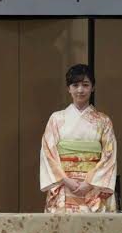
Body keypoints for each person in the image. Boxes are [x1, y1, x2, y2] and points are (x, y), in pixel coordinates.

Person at [40, 64, 117, 213]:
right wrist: (66, 180)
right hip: (64, 186)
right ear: (69, 88)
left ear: (92, 87)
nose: (80, 90)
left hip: (94, 187)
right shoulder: (56, 119)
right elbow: (48, 154)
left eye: (85, 85)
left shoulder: (103, 121)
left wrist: (89, 183)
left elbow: (109, 156)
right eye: (75, 85)